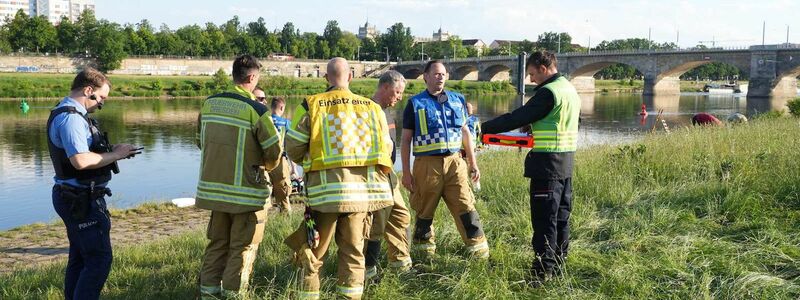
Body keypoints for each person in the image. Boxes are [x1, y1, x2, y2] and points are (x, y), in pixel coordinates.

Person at [283, 57, 394, 300]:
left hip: (324, 196)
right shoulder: (373, 108)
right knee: (354, 253)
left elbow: (292, 147)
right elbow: (387, 149)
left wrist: (309, 161)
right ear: (351, 77)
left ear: (326, 78)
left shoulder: (311, 104)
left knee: (315, 253)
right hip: (361, 196)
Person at [480, 51, 581, 284]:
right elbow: (563, 120)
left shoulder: (548, 92)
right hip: (565, 164)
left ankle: (541, 272)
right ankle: (558, 264)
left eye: (533, 74)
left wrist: (483, 129)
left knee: (544, 221)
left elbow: (516, 117)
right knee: (561, 219)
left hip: (546, 166)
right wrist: (535, 123)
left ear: (544, 69)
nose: (531, 79)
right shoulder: (568, 89)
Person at [47, 68, 139, 300]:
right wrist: (116, 155)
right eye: (101, 98)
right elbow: (80, 161)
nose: (101, 104)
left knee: (80, 258)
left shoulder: (65, 111)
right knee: (99, 260)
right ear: (88, 90)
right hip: (80, 199)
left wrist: (115, 152)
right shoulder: (71, 118)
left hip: (73, 195)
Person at [196, 55, 283, 299]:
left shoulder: (209, 104)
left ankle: (208, 293)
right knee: (241, 248)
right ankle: (234, 295)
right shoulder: (256, 110)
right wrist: (262, 167)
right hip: (245, 193)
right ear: (252, 77)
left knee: (216, 244)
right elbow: (274, 152)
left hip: (213, 192)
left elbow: (200, 142)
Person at [400, 60, 489, 260]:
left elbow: (466, 133)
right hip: (427, 165)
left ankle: (479, 253)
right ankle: (425, 256)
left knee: (465, 206)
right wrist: (406, 172)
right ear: (426, 76)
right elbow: (405, 140)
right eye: (436, 74)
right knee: (424, 210)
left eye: (443, 74)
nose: (440, 77)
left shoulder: (457, 99)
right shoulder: (415, 104)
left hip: (455, 162)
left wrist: (473, 163)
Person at [364, 70, 413, 281]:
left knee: (401, 216)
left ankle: (401, 264)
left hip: (389, 175)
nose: (400, 97)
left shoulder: (388, 112)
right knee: (376, 226)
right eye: (397, 92)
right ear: (385, 87)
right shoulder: (366, 110)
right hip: (373, 176)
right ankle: (367, 273)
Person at [268, 95, 297, 213]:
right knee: (283, 190)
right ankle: (285, 216)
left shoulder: (265, 121)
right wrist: (294, 168)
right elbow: (291, 147)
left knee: (266, 190)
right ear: (281, 107)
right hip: (280, 161)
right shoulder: (285, 123)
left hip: (264, 161)